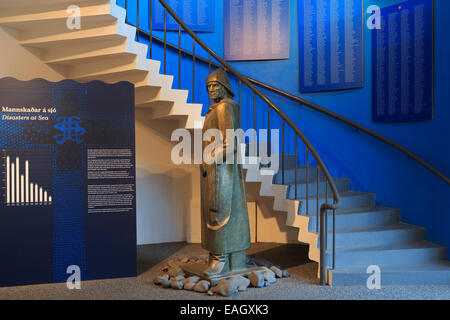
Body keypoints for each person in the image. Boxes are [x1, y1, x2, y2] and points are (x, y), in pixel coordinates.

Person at [200, 69, 250, 276]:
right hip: (217, 168)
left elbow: (231, 144)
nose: (211, 89)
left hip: (221, 170)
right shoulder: (221, 107)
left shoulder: (224, 108)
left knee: (218, 212)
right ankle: (220, 256)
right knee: (217, 211)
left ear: (224, 86)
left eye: (215, 85)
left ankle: (220, 259)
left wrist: (209, 159)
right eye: (208, 86)